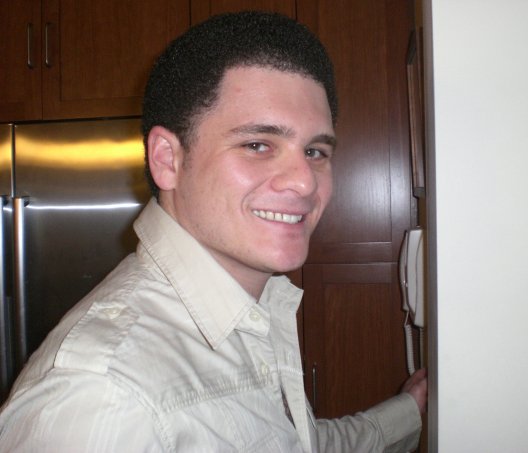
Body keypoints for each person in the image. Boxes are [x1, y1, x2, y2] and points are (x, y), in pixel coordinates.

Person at [0, 11, 427, 452]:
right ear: (167, 159)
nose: (305, 182)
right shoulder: (103, 398)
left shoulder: (247, 310)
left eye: (315, 151)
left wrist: (408, 412)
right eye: (257, 145)